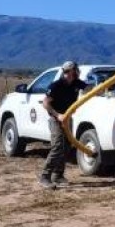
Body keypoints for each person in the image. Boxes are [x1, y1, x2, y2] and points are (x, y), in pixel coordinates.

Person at [41, 61, 87, 189]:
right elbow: (45, 103)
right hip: (56, 119)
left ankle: (58, 175)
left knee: (66, 147)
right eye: (76, 70)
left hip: (67, 119)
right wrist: (58, 115)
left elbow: (90, 89)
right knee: (57, 146)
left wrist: (106, 85)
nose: (77, 72)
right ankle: (45, 176)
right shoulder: (56, 85)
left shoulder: (76, 83)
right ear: (70, 71)